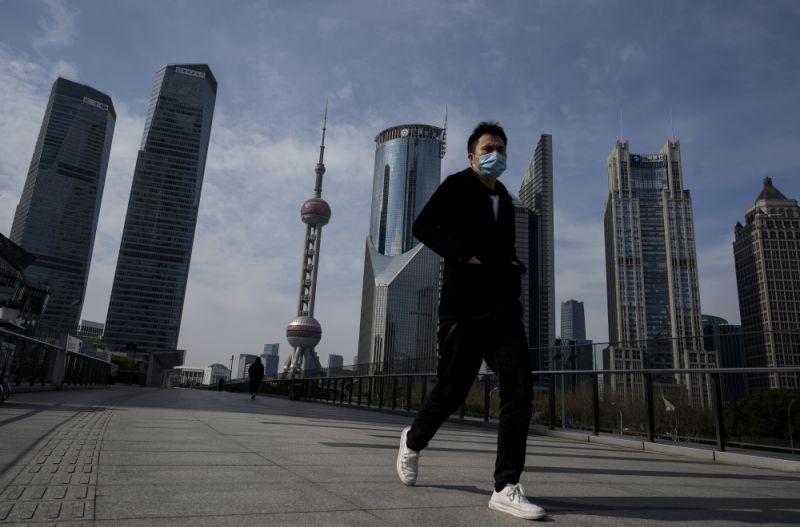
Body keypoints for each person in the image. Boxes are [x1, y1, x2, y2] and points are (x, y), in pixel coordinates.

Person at [396, 122, 545, 520]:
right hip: (462, 310)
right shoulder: (457, 186)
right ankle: (412, 440)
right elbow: (422, 227)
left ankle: (505, 486)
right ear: (472, 155)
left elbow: (506, 246)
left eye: (500, 148)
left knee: (519, 390)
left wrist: (513, 264)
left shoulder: (507, 201)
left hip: (503, 311)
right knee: (452, 390)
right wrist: (465, 255)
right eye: (488, 147)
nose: (495, 153)